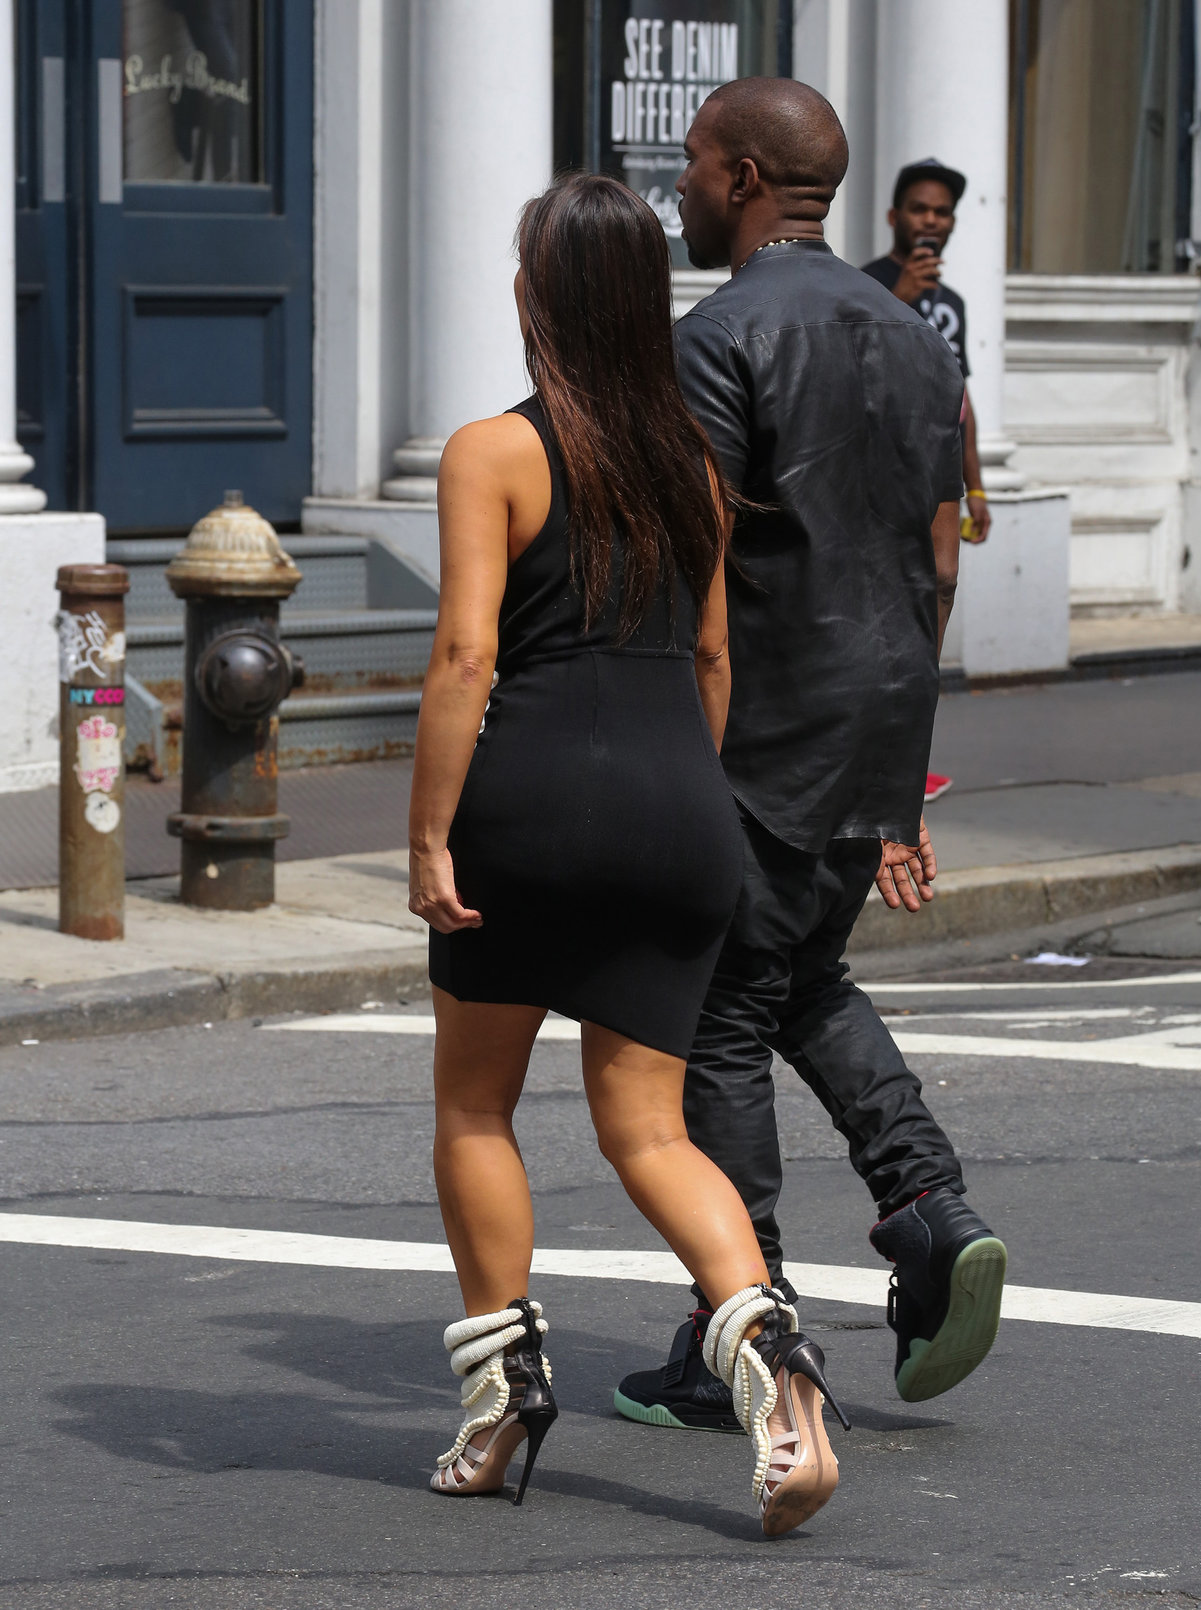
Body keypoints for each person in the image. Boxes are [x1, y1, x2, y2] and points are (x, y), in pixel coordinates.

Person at [407, 173, 845, 1536]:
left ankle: (500, 1401)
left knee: (478, 1106)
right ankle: (777, 1367)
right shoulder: (694, 469)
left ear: (536, 295)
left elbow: (467, 655)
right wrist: (683, 802)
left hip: (531, 799)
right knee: (651, 1126)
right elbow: (713, 659)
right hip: (681, 806)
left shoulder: (494, 450)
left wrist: (428, 829)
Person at [612, 81, 1007, 1434]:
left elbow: (692, 560)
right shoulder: (918, 342)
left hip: (759, 721)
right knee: (800, 974)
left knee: (722, 1006)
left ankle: (746, 1319)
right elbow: (938, 559)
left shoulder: (714, 338)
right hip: (882, 707)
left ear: (737, 176)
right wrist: (901, 770)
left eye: (693, 165)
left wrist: (654, 736)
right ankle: (926, 1205)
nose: (677, 189)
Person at [861, 157, 991, 545]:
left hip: (939, 484)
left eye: (942, 212)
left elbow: (961, 399)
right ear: (893, 216)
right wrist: (899, 299)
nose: (931, 220)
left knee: (940, 586)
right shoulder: (862, 284)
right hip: (878, 478)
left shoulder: (953, 303)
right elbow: (852, 368)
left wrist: (978, 488)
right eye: (919, 209)